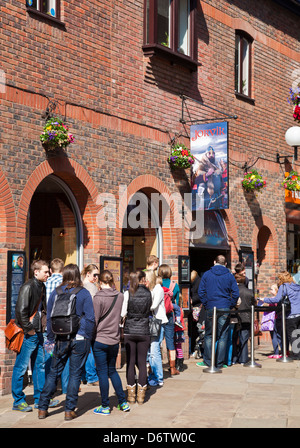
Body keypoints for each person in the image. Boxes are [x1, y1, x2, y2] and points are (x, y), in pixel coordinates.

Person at [38, 264, 95, 421]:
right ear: (77, 275)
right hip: (80, 338)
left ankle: (42, 408)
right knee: (75, 373)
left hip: (60, 337)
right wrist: (87, 336)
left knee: (54, 372)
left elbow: (49, 317)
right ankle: (69, 410)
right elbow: (90, 318)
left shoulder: (56, 293)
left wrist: (51, 337)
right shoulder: (83, 293)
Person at [12, 260, 51, 412]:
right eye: (45, 272)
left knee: (39, 366)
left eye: (48, 272)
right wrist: (30, 330)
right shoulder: (28, 287)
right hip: (30, 333)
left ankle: (40, 399)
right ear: (36, 272)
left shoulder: (42, 286)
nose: (48, 274)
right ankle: (18, 401)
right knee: (21, 367)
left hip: (39, 331)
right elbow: (20, 312)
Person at [92, 270, 130, 415]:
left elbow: (94, 320)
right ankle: (122, 402)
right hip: (114, 340)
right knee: (112, 370)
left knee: (102, 373)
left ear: (100, 283)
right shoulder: (119, 296)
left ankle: (105, 406)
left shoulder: (97, 298)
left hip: (100, 339)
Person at [197, 255, 240, 369]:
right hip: (224, 307)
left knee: (209, 335)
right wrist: (229, 304)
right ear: (225, 264)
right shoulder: (230, 276)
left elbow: (201, 292)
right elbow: (236, 293)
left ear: (214, 261)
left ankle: (208, 361)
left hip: (211, 307)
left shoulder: (207, 274)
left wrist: (207, 303)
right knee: (223, 335)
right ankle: (220, 363)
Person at [121, 270, 152, 405]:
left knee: (130, 361)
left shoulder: (128, 293)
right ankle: (141, 396)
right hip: (144, 330)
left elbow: (123, 312)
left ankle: (131, 395)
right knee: (142, 362)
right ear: (142, 279)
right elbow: (149, 309)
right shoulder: (148, 293)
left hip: (129, 330)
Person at [260, 271, 300, 359]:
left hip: (291, 314)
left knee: (292, 335)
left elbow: (277, 299)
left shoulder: (284, 286)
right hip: (299, 314)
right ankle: (298, 353)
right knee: (298, 334)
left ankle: (297, 355)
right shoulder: (297, 286)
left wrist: (264, 299)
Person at [44, 258, 69, 395]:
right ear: (63, 269)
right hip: (63, 324)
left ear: (51, 270)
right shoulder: (64, 284)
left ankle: (49, 387)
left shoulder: (46, 282)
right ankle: (65, 388)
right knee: (65, 356)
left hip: (49, 323)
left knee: (49, 356)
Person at [145, 271, 168, 387]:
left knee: (154, 351)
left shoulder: (158, 289)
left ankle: (159, 377)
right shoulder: (152, 289)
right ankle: (153, 375)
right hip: (151, 322)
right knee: (150, 352)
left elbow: (153, 306)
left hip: (158, 322)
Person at [157, 264, 181, 375]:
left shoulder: (157, 284)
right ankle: (172, 368)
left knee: (157, 341)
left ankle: (156, 366)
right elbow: (176, 302)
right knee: (170, 341)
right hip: (169, 315)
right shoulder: (174, 286)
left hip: (158, 315)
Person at [81, 264, 100, 386]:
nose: (96, 277)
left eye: (97, 275)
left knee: (84, 349)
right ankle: (92, 377)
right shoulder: (91, 287)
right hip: (90, 321)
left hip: (81, 321)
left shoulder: (81, 286)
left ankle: (84, 375)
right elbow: (94, 307)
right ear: (88, 274)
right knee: (90, 349)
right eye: (94, 275)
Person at [232, 272, 255, 365]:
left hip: (235, 317)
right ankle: (243, 359)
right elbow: (254, 304)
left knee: (233, 338)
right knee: (244, 339)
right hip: (246, 317)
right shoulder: (249, 292)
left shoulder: (233, 291)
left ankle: (233, 358)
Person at [189, 270, 202, 356]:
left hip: (197, 307)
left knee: (197, 329)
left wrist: (192, 300)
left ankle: (195, 349)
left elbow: (200, 295)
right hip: (195, 307)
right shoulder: (198, 281)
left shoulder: (198, 282)